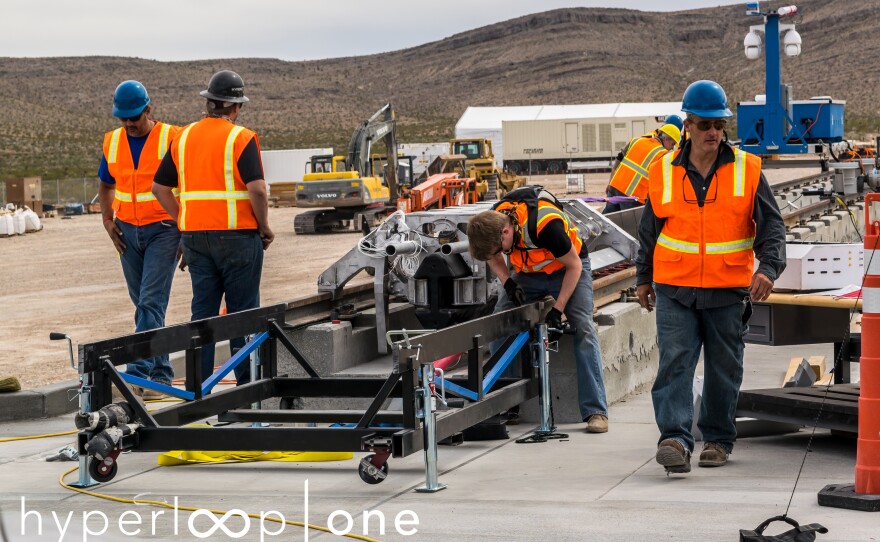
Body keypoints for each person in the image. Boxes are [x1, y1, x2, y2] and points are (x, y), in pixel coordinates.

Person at [635, 80, 786, 474]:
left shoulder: (747, 169)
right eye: (705, 125)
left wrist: (768, 268)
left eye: (719, 124)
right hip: (674, 287)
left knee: (724, 368)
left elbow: (772, 226)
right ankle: (674, 439)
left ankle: (717, 440)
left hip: (727, 289)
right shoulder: (662, 170)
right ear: (687, 124)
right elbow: (649, 230)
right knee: (675, 364)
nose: (713, 132)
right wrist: (643, 277)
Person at [152, 70, 274, 385]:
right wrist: (265, 227)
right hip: (238, 238)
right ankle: (248, 390)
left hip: (195, 239)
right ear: (235, 107)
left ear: (209, 103)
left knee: (202, 316)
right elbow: (258, 190)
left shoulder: (183, 137)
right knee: (242, 316)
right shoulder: (241, 138)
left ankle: (197, 389)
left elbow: (160, 188)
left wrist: (184, 219)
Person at [467, 186, 609, 433]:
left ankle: (596, 411)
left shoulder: (546, 225)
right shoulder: (493, 219)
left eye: (502, 248)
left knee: (583, 327)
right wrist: (508, 283)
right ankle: (508, 402)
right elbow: (492, 255)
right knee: (500, 324)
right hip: (529, 274)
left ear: (506, 231)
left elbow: (574, 266)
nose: (501, 254)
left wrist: (558, 310)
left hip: (567, 269)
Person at [98, 80, 181, 399]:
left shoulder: (171, 137)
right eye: (123, 118)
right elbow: (106, 185)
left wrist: (185, 230)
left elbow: (185, 186)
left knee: (149, 302)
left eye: (134, 116)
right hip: (127, 233)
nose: (129, 124)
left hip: (164, 229)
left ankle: (139, 375)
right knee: (147, 306)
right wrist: (107, 220)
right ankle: (161, 376)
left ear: (148, 108)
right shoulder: (113, 142)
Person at [603, 117, 682, 213]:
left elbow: (619, 159)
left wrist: (610, 182)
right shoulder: (662, 154)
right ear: (665, 139)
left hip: (615, 186)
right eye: (672, 144)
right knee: (629, 226)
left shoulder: (637, 140)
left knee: (608, 221)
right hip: (633, 196)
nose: (671, 148)